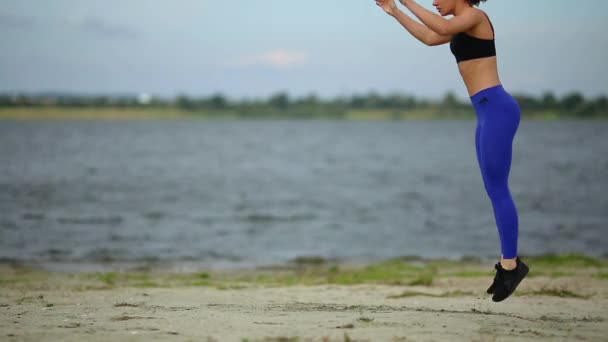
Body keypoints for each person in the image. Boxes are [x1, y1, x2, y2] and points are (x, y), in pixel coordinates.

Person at [375, 0, 529, 302]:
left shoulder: (474, 16)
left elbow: (441, 26)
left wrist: (406, 0)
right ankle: (510, 264)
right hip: (486, 112)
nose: (434, 1)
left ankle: (511, 265)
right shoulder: (460, 27)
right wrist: (394, 12)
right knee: (493, 188)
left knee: (499, 189)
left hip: (497, 109)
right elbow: (431, 37)